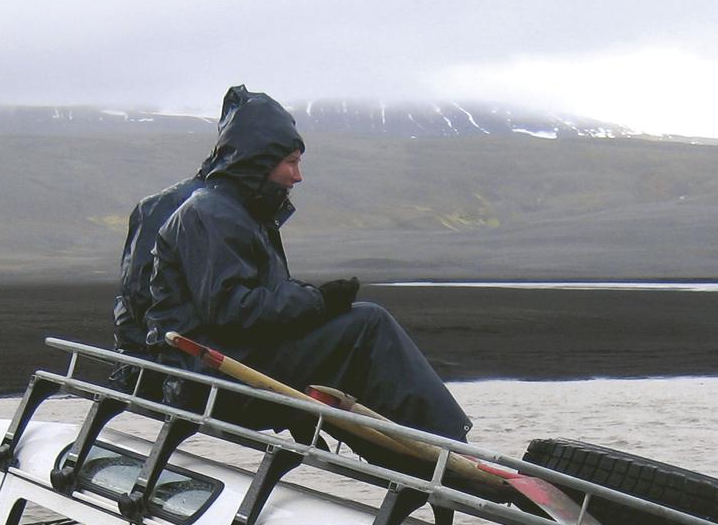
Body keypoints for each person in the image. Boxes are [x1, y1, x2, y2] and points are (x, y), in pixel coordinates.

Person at [139, 86, 471, 441]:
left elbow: (250, 303)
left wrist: (316, 305)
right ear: (258, 161)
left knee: (348, 347)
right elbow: (232, 309)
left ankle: (420, 463)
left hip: (228, 366)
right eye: (291, 162)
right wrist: (318, 302)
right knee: (366, 326)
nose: (298, 176)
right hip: (211, 377)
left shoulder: (238, 214)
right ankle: (453, 451)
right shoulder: (211, 214)